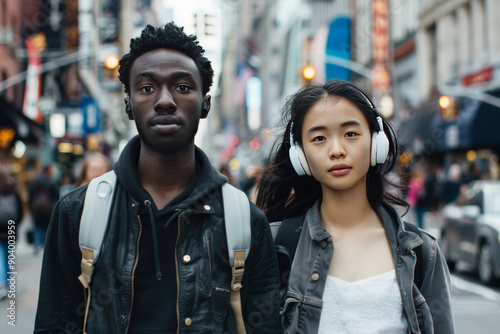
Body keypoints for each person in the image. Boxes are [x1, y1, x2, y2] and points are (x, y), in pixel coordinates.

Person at [35, 22, 280, 333]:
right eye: (147, 88)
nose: (165, 101)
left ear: (205, 102)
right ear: (128, 103)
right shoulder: (77, 213)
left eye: (182, 87)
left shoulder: (244, 220)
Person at [256, 80, 454, 333]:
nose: (337, 150)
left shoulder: (423, 252)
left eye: (350, 134)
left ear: (376, 142)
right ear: (300, 156)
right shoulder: (274, 245)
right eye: (319, 138)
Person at [0, 169, 24, 300]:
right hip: (10, 228)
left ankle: (2, 284)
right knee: (9, 257)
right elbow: (20, 213)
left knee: (0, 257)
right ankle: (9, 283)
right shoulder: (14, 192)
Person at [28, 164, 59, 253]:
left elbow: (31, 196)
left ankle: (37, 245)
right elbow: (56, 196)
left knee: (37, 227)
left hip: (37, 209)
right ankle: (45, 245)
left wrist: (31, 208)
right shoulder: (51, 182)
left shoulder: (35, 181)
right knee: (46, 227)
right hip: (48, 209)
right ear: (48, 171)